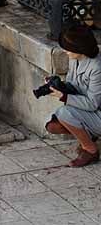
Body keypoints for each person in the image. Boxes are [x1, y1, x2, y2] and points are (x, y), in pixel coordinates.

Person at [44, 25, 101, 167]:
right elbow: (73, 85)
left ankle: (91, 150)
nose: (65, 51)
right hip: (88, 110)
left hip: (97, 111)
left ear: (80, 48)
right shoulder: (75, 58)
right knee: (53, 126)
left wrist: (63, 96)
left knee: (64, 112)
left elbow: (93, 103)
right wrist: (58, 85)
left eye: (68, 48)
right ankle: (89, 137)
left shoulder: (97, 67)